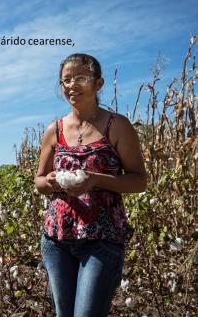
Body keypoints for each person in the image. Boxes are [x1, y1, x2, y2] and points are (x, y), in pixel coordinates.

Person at [34, 53, 147, 317]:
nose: (72, 85)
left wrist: (95, 180)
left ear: (98, 84)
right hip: (57, 239)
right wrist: (50, 182)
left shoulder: (117, 126)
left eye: (81, 78)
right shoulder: (55, 130)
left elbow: (139, 180)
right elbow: (39, 181)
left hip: (102, 239)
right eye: (66, 80)